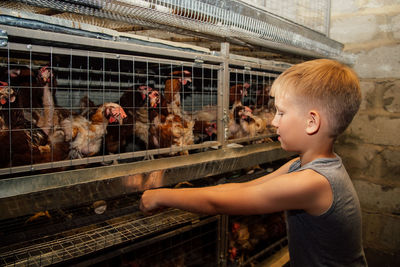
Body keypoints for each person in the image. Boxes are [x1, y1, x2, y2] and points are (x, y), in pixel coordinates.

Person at [140, 59, 367, 266]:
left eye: (281, 113)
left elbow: (216, 204)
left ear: (311, 122)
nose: (274, 122)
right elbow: (247, 187)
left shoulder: (313, 182)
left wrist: (162, 196)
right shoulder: (300, 166)